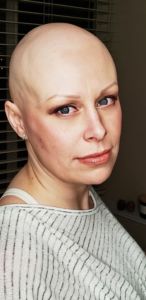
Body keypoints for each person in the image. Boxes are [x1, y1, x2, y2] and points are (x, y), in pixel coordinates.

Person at [0, 23, 145, 300]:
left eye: (106, 100)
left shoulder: (80, 192)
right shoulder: (13, 261)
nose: (98, 130)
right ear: (18, 121)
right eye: (65, 109)